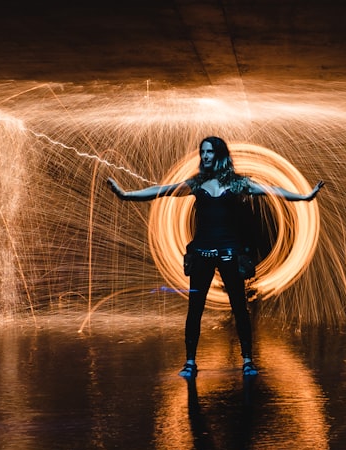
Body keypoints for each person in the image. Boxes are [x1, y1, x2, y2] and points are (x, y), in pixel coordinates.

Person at [107, 136, 324, 379]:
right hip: (202, 253)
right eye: (202, 152)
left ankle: (247, 361)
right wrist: (126, 195)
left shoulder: (238, 184)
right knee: (195, 309)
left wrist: (305, 197)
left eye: (209, 152)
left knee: (239, 309)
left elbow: (271, 191)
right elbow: (161, 191)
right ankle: (190, 362)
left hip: (230, 253)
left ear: (220, 155)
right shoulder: (196, 184)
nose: (205, 156)